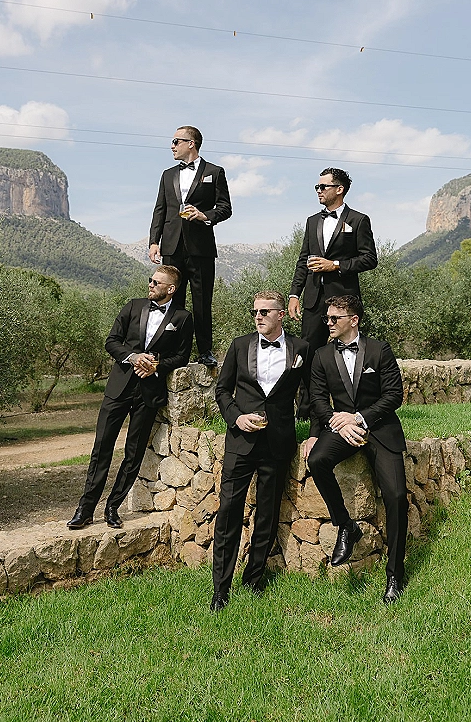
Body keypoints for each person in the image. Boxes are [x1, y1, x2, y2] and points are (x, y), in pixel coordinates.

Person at [67, 266, 193, 530]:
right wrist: (133, 357)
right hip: (119, 388)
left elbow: (181, 357)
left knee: (133, 453)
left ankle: (113, 507)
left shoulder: (183, 318)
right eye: (150, 280)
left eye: (156, 282)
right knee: (102, 447)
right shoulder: (133, 306)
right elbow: (111, 341)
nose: (151, 285)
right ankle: (85, 510)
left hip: (149, 393)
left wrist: (156, 365)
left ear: (171, 289)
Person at [305, 294, 408, 604]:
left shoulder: (379, 350)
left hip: (380, 428)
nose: (328, 322)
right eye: (327, 318)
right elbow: (317, 399)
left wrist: (360, 418)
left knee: (397, 496)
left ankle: (395, 574)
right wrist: (335, 423)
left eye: (334, 318)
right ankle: (346, 525)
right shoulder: (322, 355)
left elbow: (394, 395)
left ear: (354, 320)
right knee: (318, 460)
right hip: (342, 427)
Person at [211, 291, 308, 611]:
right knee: (229, 512)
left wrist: (317, 432)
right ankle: (220, 589)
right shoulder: (239, 346)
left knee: (267, 515)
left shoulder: (301, 349)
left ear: (281, 314)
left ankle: (253, 579)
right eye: (255, 311)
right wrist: (236, 417)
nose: (258, 316)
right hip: (240, 442)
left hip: (278, 443)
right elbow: (222, 390)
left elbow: (313, 392)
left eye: (265, 311)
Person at [288, 167, 377, 426]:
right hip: (314, 299)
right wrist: (294, 294)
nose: (318, 190)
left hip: (344, 300)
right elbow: (303, 261)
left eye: (323, 186)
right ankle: (307, 409)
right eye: (317, 187)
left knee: (351, 352)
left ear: (339, 189)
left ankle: (354, 408)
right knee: (308, 353)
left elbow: (369, 259)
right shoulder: (312, 221)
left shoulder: (359, 220)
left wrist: (335, 265)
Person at [148, 126, 232, 368]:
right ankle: (174, 352)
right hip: (171, 246)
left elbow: (225, 208)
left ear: (191, 143)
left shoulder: (215, 172)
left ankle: (205, 351)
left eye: (176, 141)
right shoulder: (167, 175)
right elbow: (160, 209)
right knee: (172, 301)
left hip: (201, 247)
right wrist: (154, 241)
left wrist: (205, 216)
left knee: (202, 302)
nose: (172, 146)